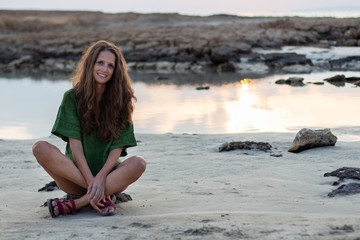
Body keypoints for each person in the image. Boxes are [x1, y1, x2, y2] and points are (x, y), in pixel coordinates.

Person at [32, 40, 146, 217]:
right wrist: (92, 182)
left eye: (110, 65)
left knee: (139, 163)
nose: (104, 69)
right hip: (75, 177)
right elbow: (75, 147)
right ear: (91, 64)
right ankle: (101, 196)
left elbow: (118, 148)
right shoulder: (72, 98)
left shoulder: (122, 100)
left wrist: (101, 177)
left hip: (109, 178)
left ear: (116, 71)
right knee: (39, 147)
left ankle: (78, 203)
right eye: (100, 63)